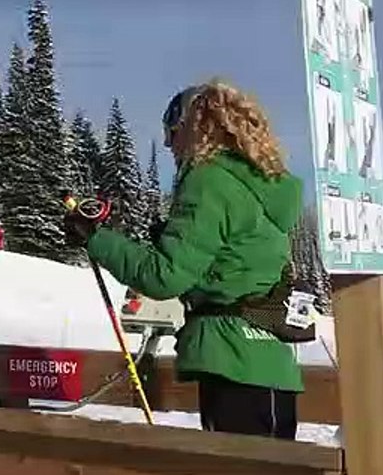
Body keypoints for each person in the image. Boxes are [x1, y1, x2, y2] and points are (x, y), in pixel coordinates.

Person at [64, 78, 304, 453]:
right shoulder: (254, 185)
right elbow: (230, 265)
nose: (168, 145)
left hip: (233, 361)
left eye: (172, 132)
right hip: (270, 361)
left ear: (196, 128)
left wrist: (97, 239)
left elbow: (165, 276)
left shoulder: (208, 181)